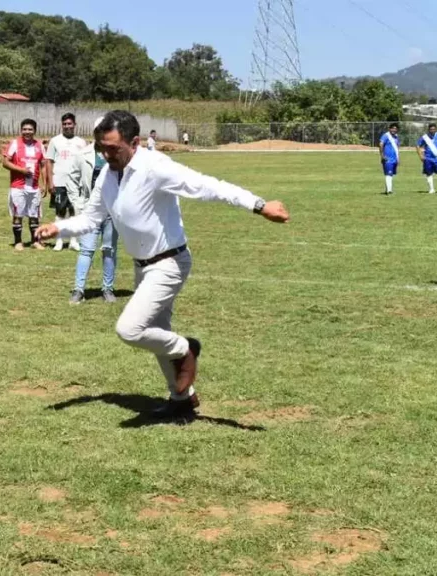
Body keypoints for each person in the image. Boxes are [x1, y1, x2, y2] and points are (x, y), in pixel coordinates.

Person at [36, 111, 290, 418]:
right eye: (101, 148)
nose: (106, 154)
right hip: (142, 266)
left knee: (130, 329)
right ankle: (181, 400)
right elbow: (92, 218)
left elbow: (207, 186)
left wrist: (259, 205)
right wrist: (58, 228)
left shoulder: (155, 167)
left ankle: (186, 349)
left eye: (113, 148)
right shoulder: (108, 174)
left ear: (135, 142)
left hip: (169, 262)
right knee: (156, 333)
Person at [70, 117, 119, 305]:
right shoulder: (83, 154)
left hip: (112, 211)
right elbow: (72, 179)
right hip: (89, 211)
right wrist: (78, 204)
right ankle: (78, 290)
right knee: (86, 250)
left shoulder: (118, 154)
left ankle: (107, 289)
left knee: (109, 250)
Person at [4, 118, 47, 251]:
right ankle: (18, 242)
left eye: (30, 129)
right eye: (24, 129)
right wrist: (21, 170)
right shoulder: (15, 144)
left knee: (34, 215)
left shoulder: (39, 145)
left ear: (34, 131)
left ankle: (35, 241)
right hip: (18, 186)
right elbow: (5, 162)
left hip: (34, 187)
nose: (27, 132)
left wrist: (44, 183)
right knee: (18, 214)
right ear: (21, 130)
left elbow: (43, 165)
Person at [46, 113, 87, 252]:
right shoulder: (55, 141)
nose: (67, 126)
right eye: (65, 124)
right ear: (62, 125)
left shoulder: (81, 142)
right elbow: (49, 162)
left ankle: (73, 241)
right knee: (60, 213)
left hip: (76, 184)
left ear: (74, 125)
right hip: (59, 183)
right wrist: (50, 182)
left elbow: (85, 163)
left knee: (75, 212)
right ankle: (59, 241)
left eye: (70, 124)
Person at [417, 123, 437, 195]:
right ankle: (431, 189)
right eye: (431, 129)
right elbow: (418, 145)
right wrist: (421, 155)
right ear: (428, 130)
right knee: (429, 174)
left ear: (436, 129)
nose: (432, 130)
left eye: (434, 129)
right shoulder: (424, 137)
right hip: (428, 158)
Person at [379, 123, 401, 195]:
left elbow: (397, 147)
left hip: (394, 159)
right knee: (388, 174)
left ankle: (387, 189)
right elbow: (381, 144)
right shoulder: (386, 136)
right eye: (392, 128)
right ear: (389, 129)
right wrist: (382, 155)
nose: (394, 130)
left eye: (395, 129)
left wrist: (398, 158)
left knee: (391, 175)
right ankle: (389, 191)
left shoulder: (396, 137)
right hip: (387, 159)